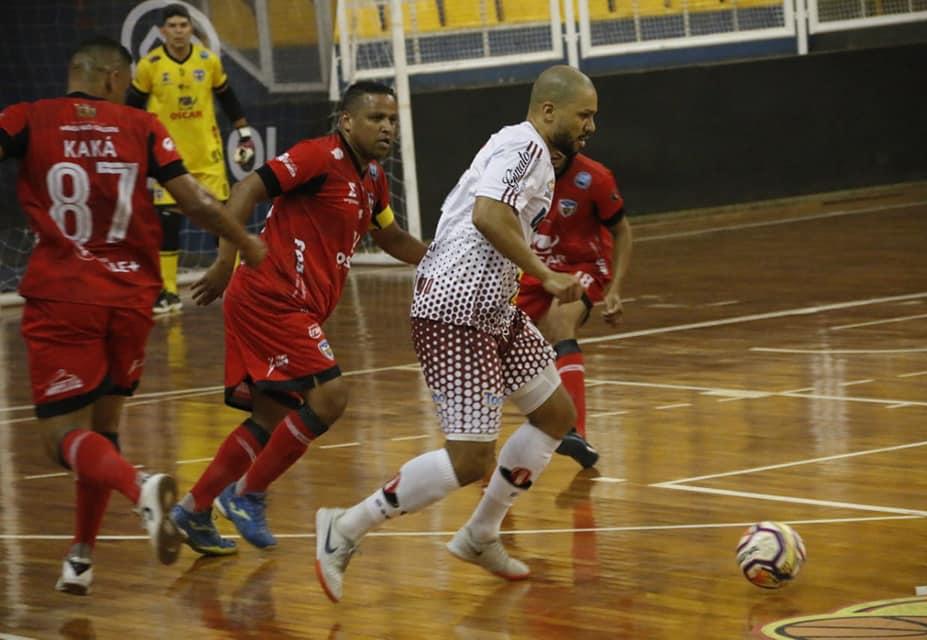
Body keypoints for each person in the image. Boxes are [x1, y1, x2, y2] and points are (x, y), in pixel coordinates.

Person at [314, 64, 598, 604]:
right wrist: (545, 274)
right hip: (455, 312)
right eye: (584, 115)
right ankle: (345, 527)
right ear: (548, 111)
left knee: (557, 416)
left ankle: (480, 534)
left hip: (492, 309)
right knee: (470, 459)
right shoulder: (526, 148)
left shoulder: (525, 149)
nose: (590, 126)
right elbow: (489, 216)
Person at [0, 36, 266, 595]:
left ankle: (141, 485)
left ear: (79, 73)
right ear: (116, 80)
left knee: (60, 441)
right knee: (105, 430)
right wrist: (242, 238)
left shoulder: (28, 117)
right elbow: (192, 198)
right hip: (131, 298)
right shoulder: (141, 127)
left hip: (64, 295)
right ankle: (81, 556)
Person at [168, 81, 427, 556]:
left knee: (272, 415)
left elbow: (392, 240)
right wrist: (226, 262)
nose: (387, 127)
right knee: (330, 396)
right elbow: (246, 188)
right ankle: (246, 494)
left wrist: (442, 260)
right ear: (347, 121)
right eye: (376, 118)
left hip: (294, 304)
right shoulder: (316, 157)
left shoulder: (373, 180)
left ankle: (194, 508)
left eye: (391, 119)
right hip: (270, 297)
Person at [126, 3, 257, 315]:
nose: (178, 31)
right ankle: (168, 292)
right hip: (167, 160)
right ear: (161, 31)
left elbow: (226, 97)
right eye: (172, 26)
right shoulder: (150, 65)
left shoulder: (207, 61)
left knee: (222, 221)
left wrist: (243, 132)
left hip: (207, 156)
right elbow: (131, 107)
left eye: (183, 25)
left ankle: (237, 286)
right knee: (167, 224)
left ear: (191, 30)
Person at [515, 149, 632, 468]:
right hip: (536, 266)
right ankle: (477, 439)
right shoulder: (519, 170)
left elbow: (622, 231)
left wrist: (615, 289)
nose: (553, 152)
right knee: (497, 336)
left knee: (559, 319)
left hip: (582, 265)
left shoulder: (594, 177)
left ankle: (574, 431)